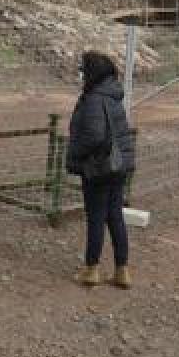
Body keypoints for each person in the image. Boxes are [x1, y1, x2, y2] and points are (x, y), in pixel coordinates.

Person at [65, 50, 136, 289]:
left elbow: (94, 136)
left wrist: (75, 152)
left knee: (96, 216)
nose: (81, 75)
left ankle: (91, 269)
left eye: (84, 71)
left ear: (92, 73)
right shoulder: (113, 95)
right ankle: (122, 271)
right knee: (115, 216)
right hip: (118, 165)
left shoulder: (94, 99)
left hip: (99, 167)